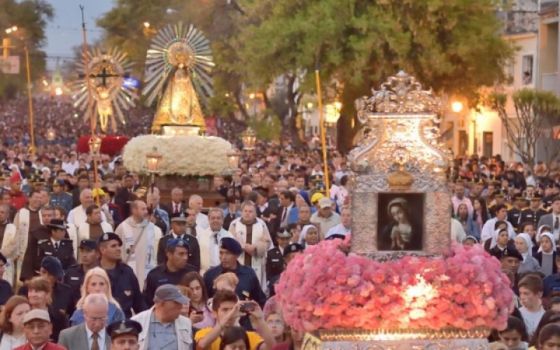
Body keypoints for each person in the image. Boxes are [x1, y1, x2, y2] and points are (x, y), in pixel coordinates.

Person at [194, 289, 275, 350]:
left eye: (233, 309)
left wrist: (260, 320)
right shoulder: (204, 333)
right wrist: (223, 322)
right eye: (225, 310)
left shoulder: (248, 336)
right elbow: (201, 346)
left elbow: (272, 347)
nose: (231, 313)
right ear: (214, 313)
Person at [203, 237, 266, 307]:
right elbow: (204, 302)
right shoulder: (210, 275)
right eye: (221, 253)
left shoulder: (249, 274)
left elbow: (260, 301)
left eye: (227, 253)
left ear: (237, 255)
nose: (223, 257)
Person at [115, 200, 162, 288]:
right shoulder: (123, 228)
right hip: (128, 272)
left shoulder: (154, 229)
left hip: (147, 273)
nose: (146, 212)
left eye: (146, 209)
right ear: (134, 210)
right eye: (143, 209)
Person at [98, 232, 146, 318]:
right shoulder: (93, 273)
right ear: (102, 250)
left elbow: (139, 303)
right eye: (113, 246)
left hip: (124, 324)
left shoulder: (127, 272)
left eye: (118, 246)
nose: (118, 249)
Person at [131, 284, 193, 350]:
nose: (181, 306)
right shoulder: (137, 322)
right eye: (176, 303)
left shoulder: (186, 323)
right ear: (161, 303)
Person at [229, 201, 273, 290]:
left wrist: (255, 247)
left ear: (255, 213)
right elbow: (229, 241)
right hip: (239, 261)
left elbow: (267, 242)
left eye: (250, 211)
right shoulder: (234, 224)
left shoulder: (261, 224)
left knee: (255, 287)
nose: (247, 213)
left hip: (256, 262)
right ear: (241, 212)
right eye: (245, 211)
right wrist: (243, 246)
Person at [144, 238, 197, 307]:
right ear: (169, 254)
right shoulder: (155, 275)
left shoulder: (192, 273)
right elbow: (148, 302)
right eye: (181, 254)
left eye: (186, 254)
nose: (185, 258)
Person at [23, 277, 68, 343]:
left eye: (37, 291)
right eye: (30, 291)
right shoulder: (23, 314)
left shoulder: (59, 317)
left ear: (47, 294)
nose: (33, 294)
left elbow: (63, 340)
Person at [198, 208, 234, 274]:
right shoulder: (201, 236)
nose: (215, 220)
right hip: (206, 272)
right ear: (208, 220)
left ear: (223, 220)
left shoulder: (229, 236)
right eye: (213, 218)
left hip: (225, 272)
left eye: (218, 218)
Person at [64, 239, 99, 305]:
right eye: (82, 251)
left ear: (97, 254)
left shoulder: (101, 274)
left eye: (88, 251)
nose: (84, 255)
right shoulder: (71, 272)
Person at [266, 230, 291, 295]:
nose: (285, 241)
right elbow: (268, 273)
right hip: (276, 286)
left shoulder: (294, 252)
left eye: (287, 239)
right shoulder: (271, 253)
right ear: (277, 239)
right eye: (282, 239)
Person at [0, 204, 17, 286]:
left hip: (5, 261)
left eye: (2, 212)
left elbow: (13, 246)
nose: (0, 214)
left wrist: (1, 255)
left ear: (7, 214)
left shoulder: (13, 228)